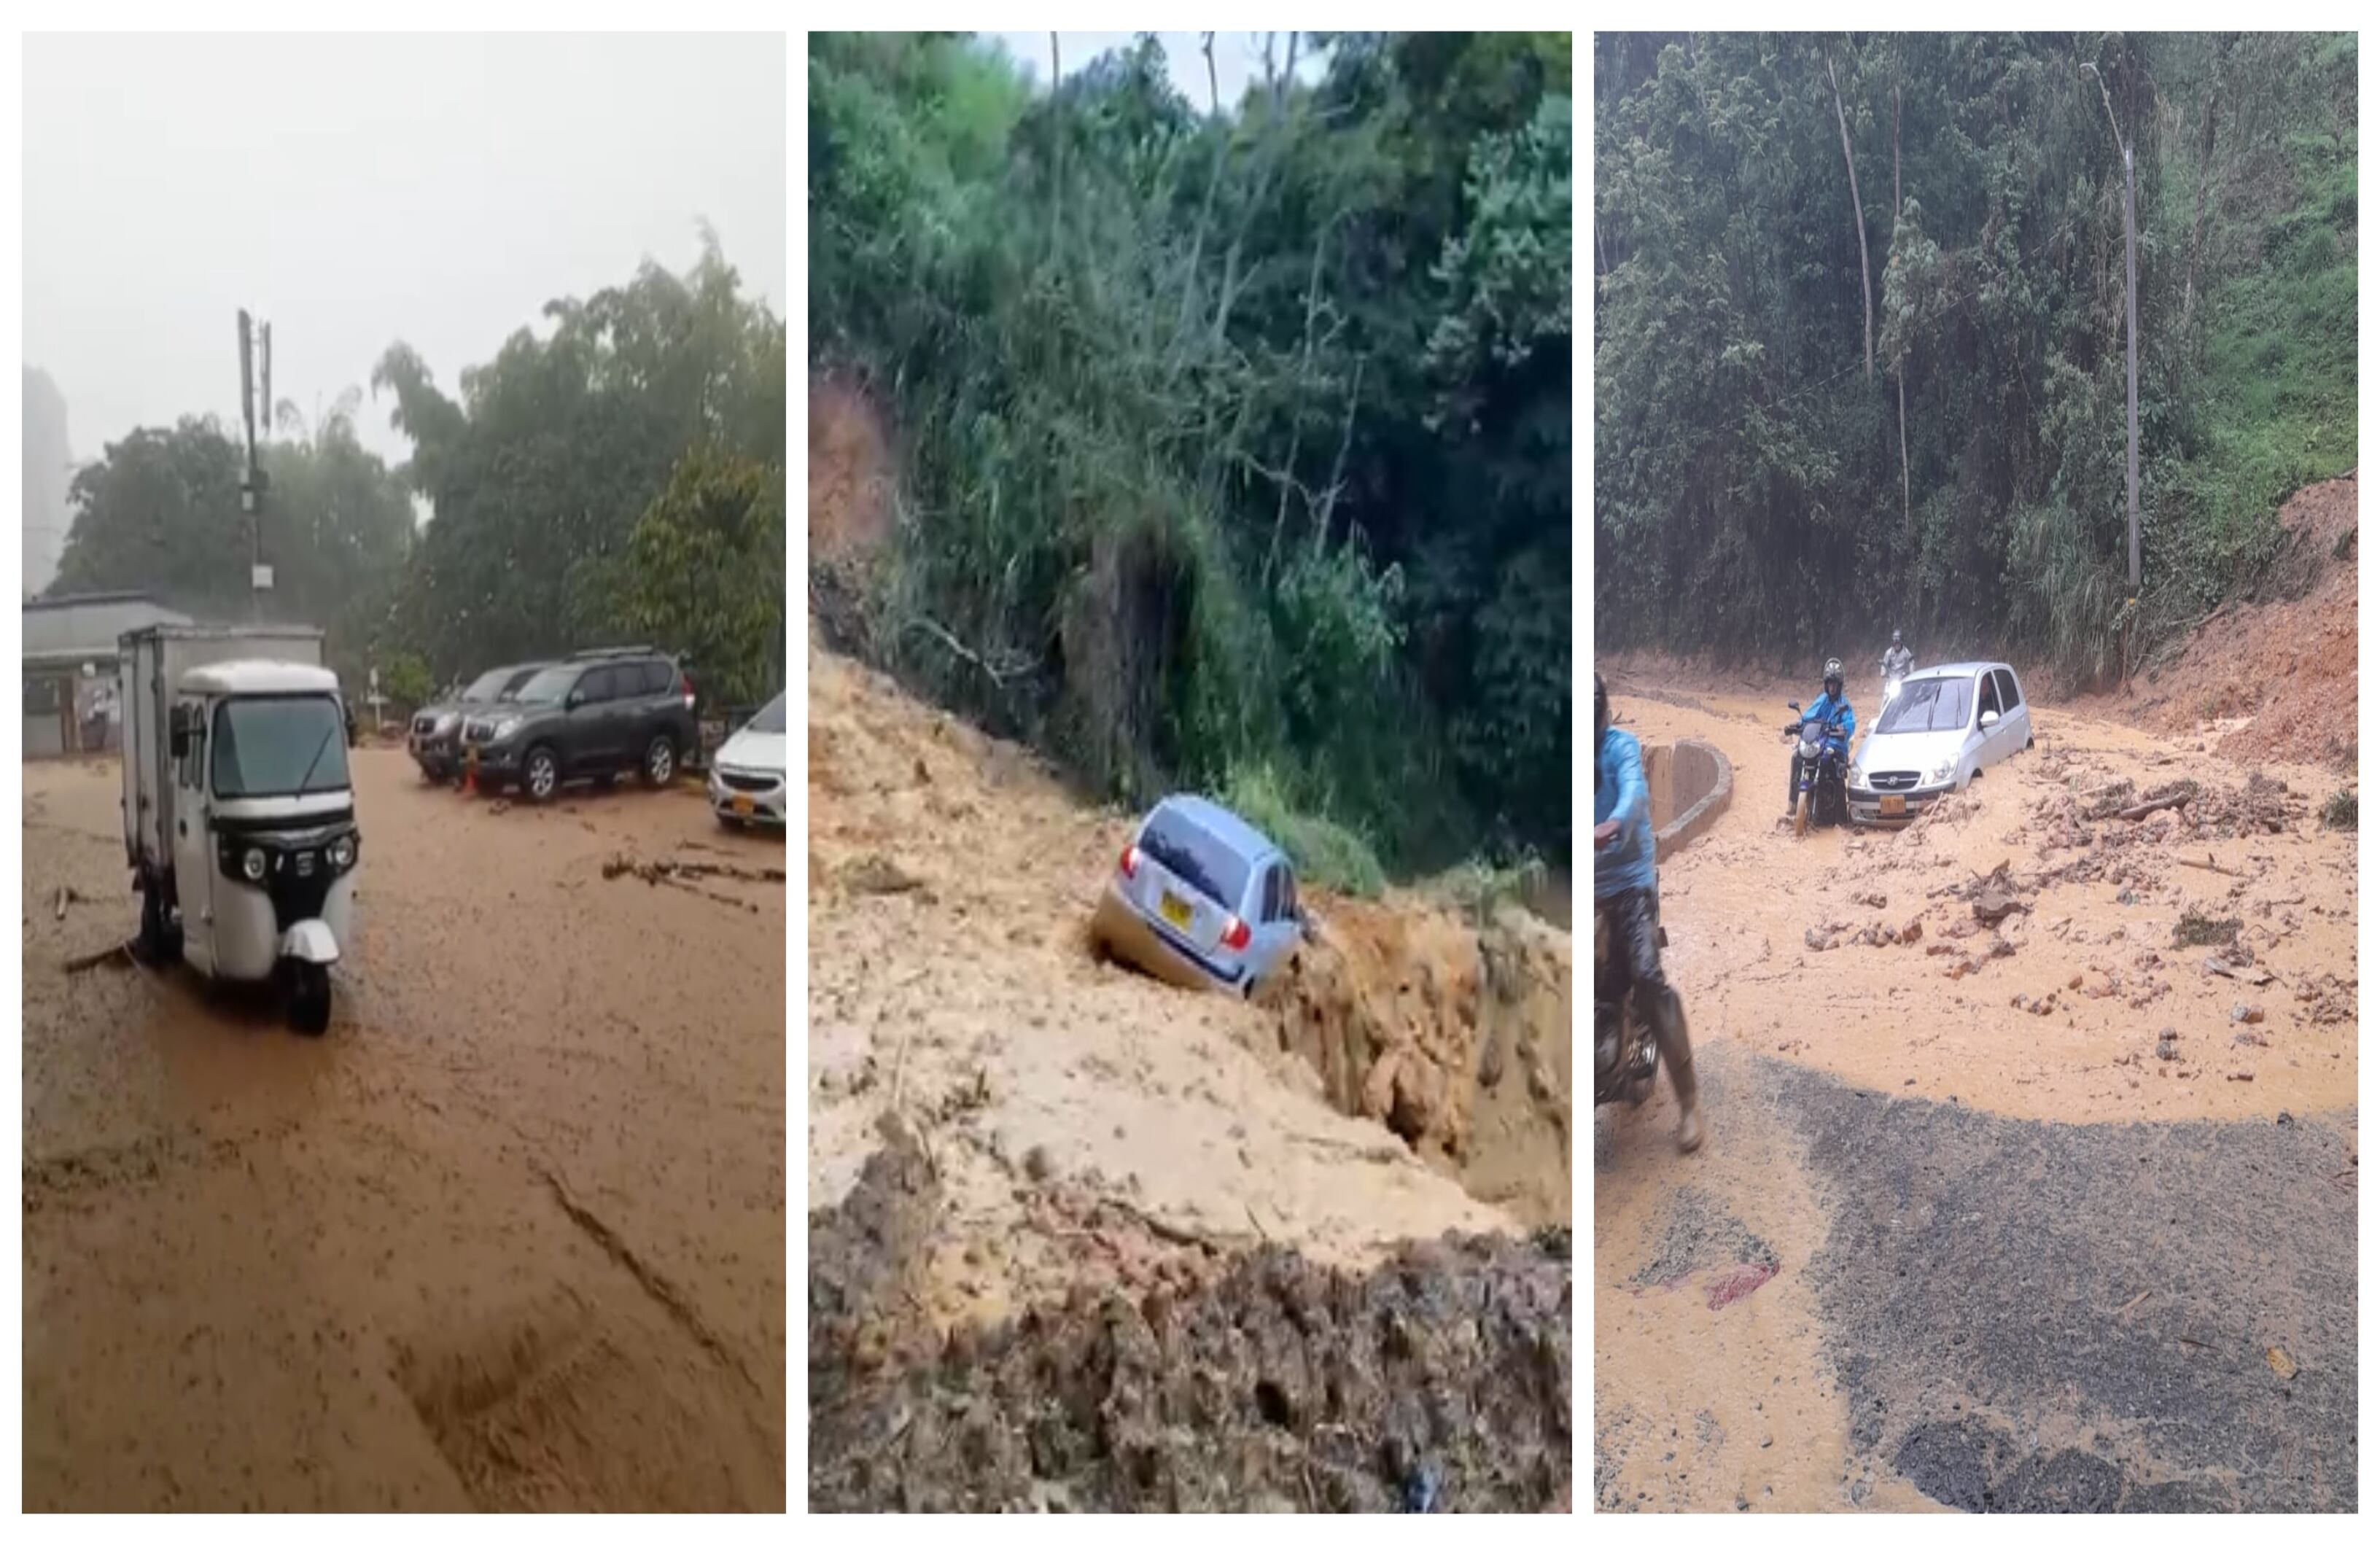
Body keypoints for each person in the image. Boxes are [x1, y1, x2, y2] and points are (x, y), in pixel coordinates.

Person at [1592, 672, 1703, 1153]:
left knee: (1646, 976)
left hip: (1629, 883)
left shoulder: (1620, 747)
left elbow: (1636, 793)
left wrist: (1613, 821)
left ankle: (1691, 1105)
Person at [1785, 659, 1857, 820]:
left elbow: (1851, 722)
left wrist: (1842, 728)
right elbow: (1809, 716)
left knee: (1828, 762)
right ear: (1826, 684)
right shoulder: (1822, 700)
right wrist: (1797, 725)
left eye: (1835, 684)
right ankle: (1793, 802)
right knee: (1797, 756)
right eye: (1829, 684)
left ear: (1840, 685)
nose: (1832, 688)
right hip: (1819, 741)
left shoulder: (1844, 704)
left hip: (1836, 744)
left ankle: (1832, 809)